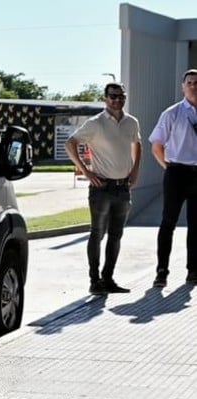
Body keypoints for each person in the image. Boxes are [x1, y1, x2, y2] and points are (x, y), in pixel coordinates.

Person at [66, 83, 141, 296]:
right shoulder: (95, 123)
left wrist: (135, 170)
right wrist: (85, 171)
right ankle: (94, 280)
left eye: (121, 96)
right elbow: (70, 144)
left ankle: (108, 279)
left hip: (123, 187)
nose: (117, 100)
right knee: (97, 233)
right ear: (105, 98)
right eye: (113, 96)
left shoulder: (131, 122)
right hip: (101, 188)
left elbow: (138, 145)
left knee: (116, 235)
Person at [147, 68, 197, 289]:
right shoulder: (172, 113)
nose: (193, 86)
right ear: (182, 86)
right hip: (176, 173)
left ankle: (193, 271)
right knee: (168, 223)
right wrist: (167, 166)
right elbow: (156, 144)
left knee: (196, 226)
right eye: (190, 82)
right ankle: (161, 272)